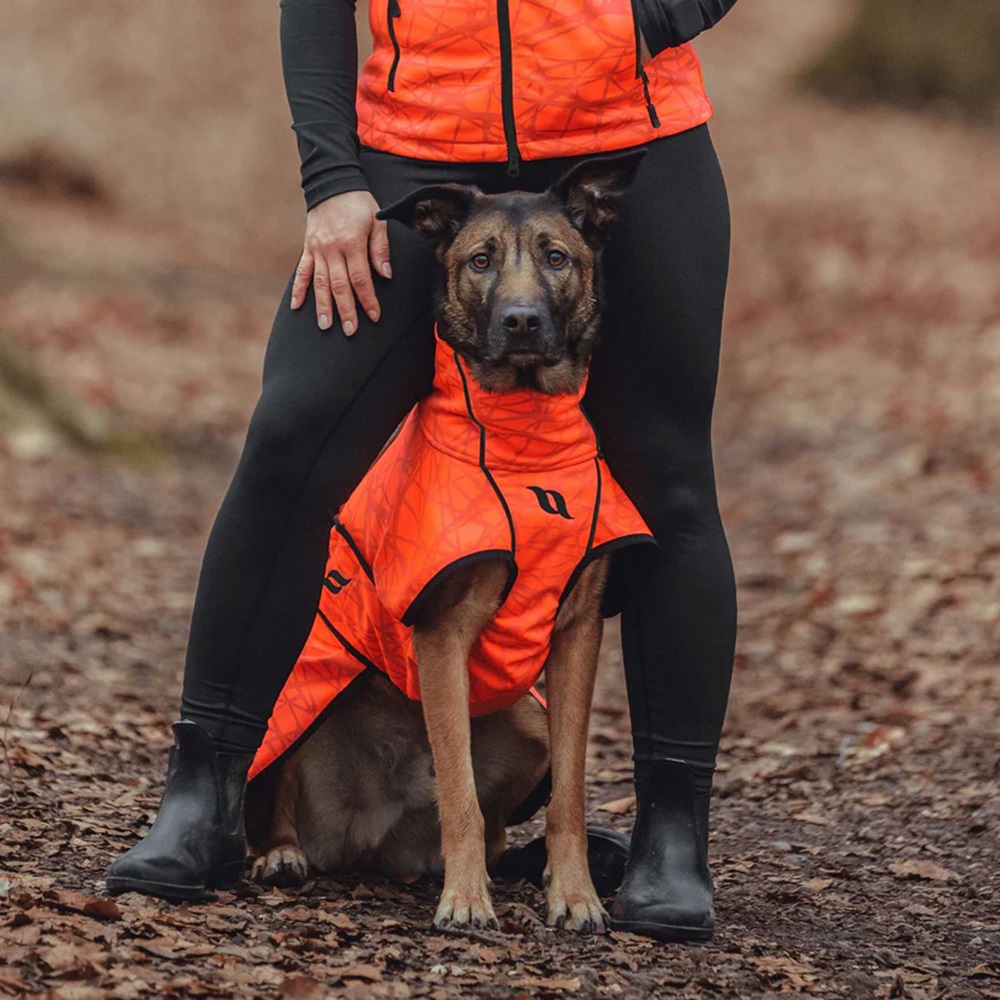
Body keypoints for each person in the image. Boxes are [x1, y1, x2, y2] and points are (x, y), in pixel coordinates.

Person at [106, 0, 739, 942]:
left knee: (673, 483)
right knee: (293, 436)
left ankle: (672, 842)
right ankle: (205, 799)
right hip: (418, 144)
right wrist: (331, 178)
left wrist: (653, 13)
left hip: (629, 135)